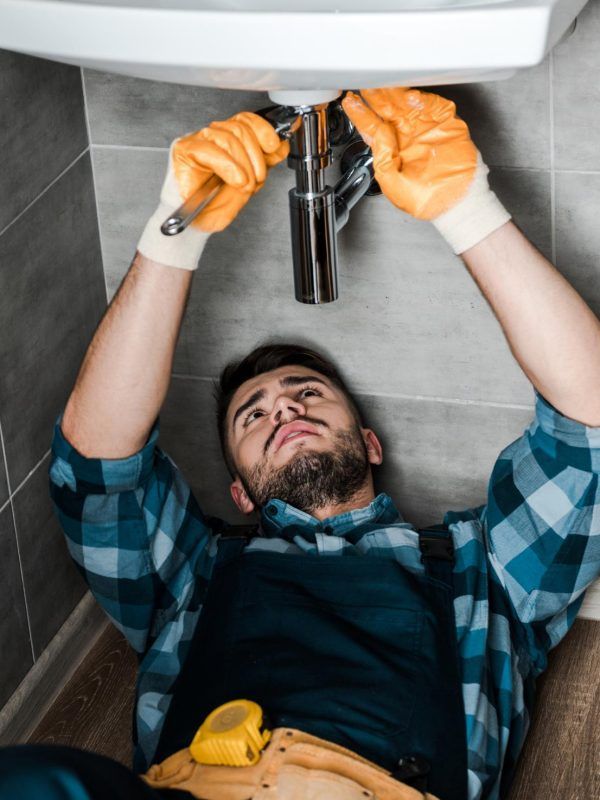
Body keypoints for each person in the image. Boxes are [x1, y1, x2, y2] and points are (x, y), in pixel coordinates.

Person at [1, 88, 598, 800]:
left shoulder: (487, 571)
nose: (283, 403)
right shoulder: (188, 577)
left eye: (308, 393)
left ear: (370, 443)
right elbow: (95, 472)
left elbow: (589, 424)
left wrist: (466, 208)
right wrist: (172, 232)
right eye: (252, 416)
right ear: (240, 492)